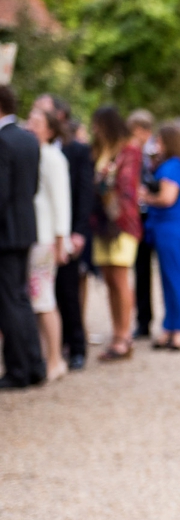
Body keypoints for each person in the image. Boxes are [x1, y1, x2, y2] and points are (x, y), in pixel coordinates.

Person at [35, 94, 93, 371]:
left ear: (57, 117)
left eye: (41, 110)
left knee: (68, 292)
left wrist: (78, 232)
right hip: (42, 233)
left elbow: (84, 194)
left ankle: (76, 348)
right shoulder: (34, 147)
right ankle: (49, 350)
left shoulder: (78, 150)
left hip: (68, 231)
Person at [0, 86, 46, 388]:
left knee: (9, 302)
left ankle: (18, 371)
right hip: (25, 227)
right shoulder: (29, 139)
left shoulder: (3, 141)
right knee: (20, 299)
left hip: (4, 231)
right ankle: (34, 365)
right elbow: (31, 187)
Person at [90, 106, 142, 361]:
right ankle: (116, 332)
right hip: (101, 224)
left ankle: (125, 335)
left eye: (98, 124)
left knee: (120, 279)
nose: (94, 129)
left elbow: (127, 187)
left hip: (122, 223)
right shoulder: (102, 150)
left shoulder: (128, 149)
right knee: (109, 279)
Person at [25, 107, 72, 381]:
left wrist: (60, 241)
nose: (31, 125)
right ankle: (43, 355)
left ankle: (55, 358)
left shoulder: (53, 159)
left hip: (45, 239)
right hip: (31, 236)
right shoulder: (31, 153)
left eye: (38, 122)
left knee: (44, 299)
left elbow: (61, 202)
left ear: (50, 129)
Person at [140, 124, 180, 351]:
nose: (156, 145)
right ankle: (170, 326)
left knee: (175, 279)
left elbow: (167, 198)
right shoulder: (172, 165)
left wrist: (145, 197)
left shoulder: (173, 166)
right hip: (164, 228)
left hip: (171, 227)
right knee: (167, 279)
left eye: (159, 141)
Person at [128, 109, 157, 339]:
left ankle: (149, 319)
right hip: (137, 215)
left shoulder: (154, 153)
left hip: (152, 214)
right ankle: (142, 320)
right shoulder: (130, 151)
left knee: (149, 270)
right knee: (139, 270)